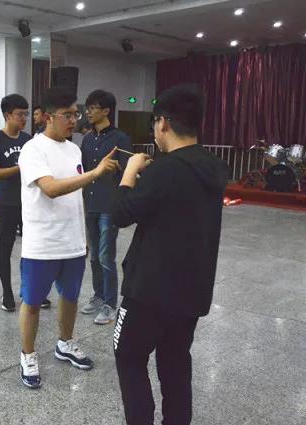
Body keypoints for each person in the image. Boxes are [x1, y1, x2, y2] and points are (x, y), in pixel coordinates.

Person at [111, 85, 227, 424]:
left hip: (148, 291)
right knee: (175, 364)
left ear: (163, 123)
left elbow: (120, 214)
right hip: (191, 290)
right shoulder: (214, 167)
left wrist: (129, 172)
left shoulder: (164, 169)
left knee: (129, 357)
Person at [16, 87, 120, 389]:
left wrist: (81, 234)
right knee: (32, 302)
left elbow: (76, 194)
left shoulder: (74, 150)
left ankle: (65, 343)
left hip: (72, 242)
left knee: (71, 297)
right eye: (68, 115)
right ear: (49, 117)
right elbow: (50, 188)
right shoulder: (33, 149)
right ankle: (28, 354)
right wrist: (96, 173)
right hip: (42, 243)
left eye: (76, 114)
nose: (75, 120)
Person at [0, 94, 50, 312]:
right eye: (20, 114)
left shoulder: (29, 140)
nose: (24, 118)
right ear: (7, 115)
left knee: (32, 248)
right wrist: (21, 167)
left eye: (26, 114)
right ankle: (7, 293)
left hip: (29, 201)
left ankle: (31, 291)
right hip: (6, 203)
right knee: (6, 248)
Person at [80, 90, 133, 325]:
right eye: (87, 108)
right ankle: (98, 295)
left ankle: (110, 304)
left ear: (106, 111)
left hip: (109, 204)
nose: (88, 112)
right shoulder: (87, 139)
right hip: (90, 202)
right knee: (93, 256)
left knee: (105, 256)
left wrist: (118, 169)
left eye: (92, 108)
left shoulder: (120, 138)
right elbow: (83, 171)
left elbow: (128, 172)